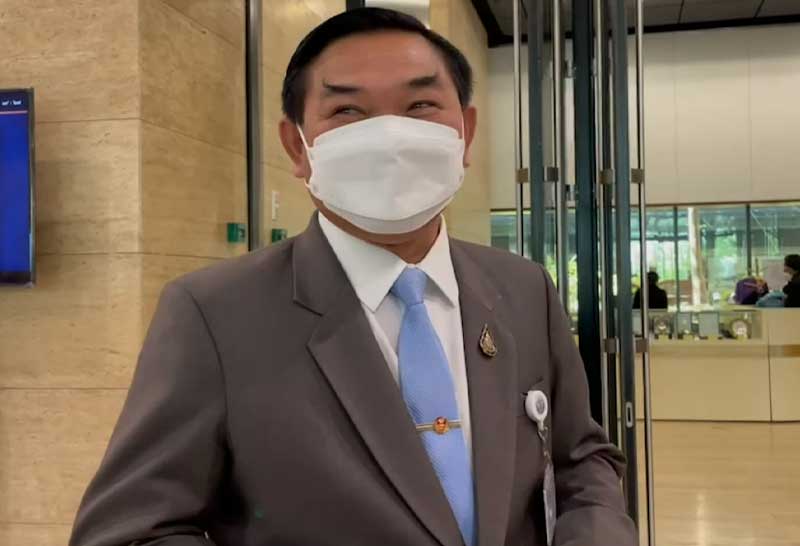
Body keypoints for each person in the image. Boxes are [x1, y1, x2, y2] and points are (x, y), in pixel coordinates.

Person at [69, 8, 635, 546]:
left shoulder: (522, 288)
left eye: (420, 105)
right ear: (297, 146)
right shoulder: (214, 314)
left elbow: (581, 460)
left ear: (465, 131)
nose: (391, 138)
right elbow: (132, 531)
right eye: (347, 111)